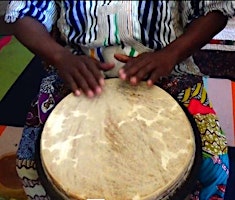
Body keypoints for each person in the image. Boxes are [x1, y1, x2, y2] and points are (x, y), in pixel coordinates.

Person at [4, 1, 235, 199]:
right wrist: (59, 56)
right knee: (30, 160)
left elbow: (213, 9)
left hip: (166, 69)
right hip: (79, 71)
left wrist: (170, 54)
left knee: (212, 163)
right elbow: (22, 12)